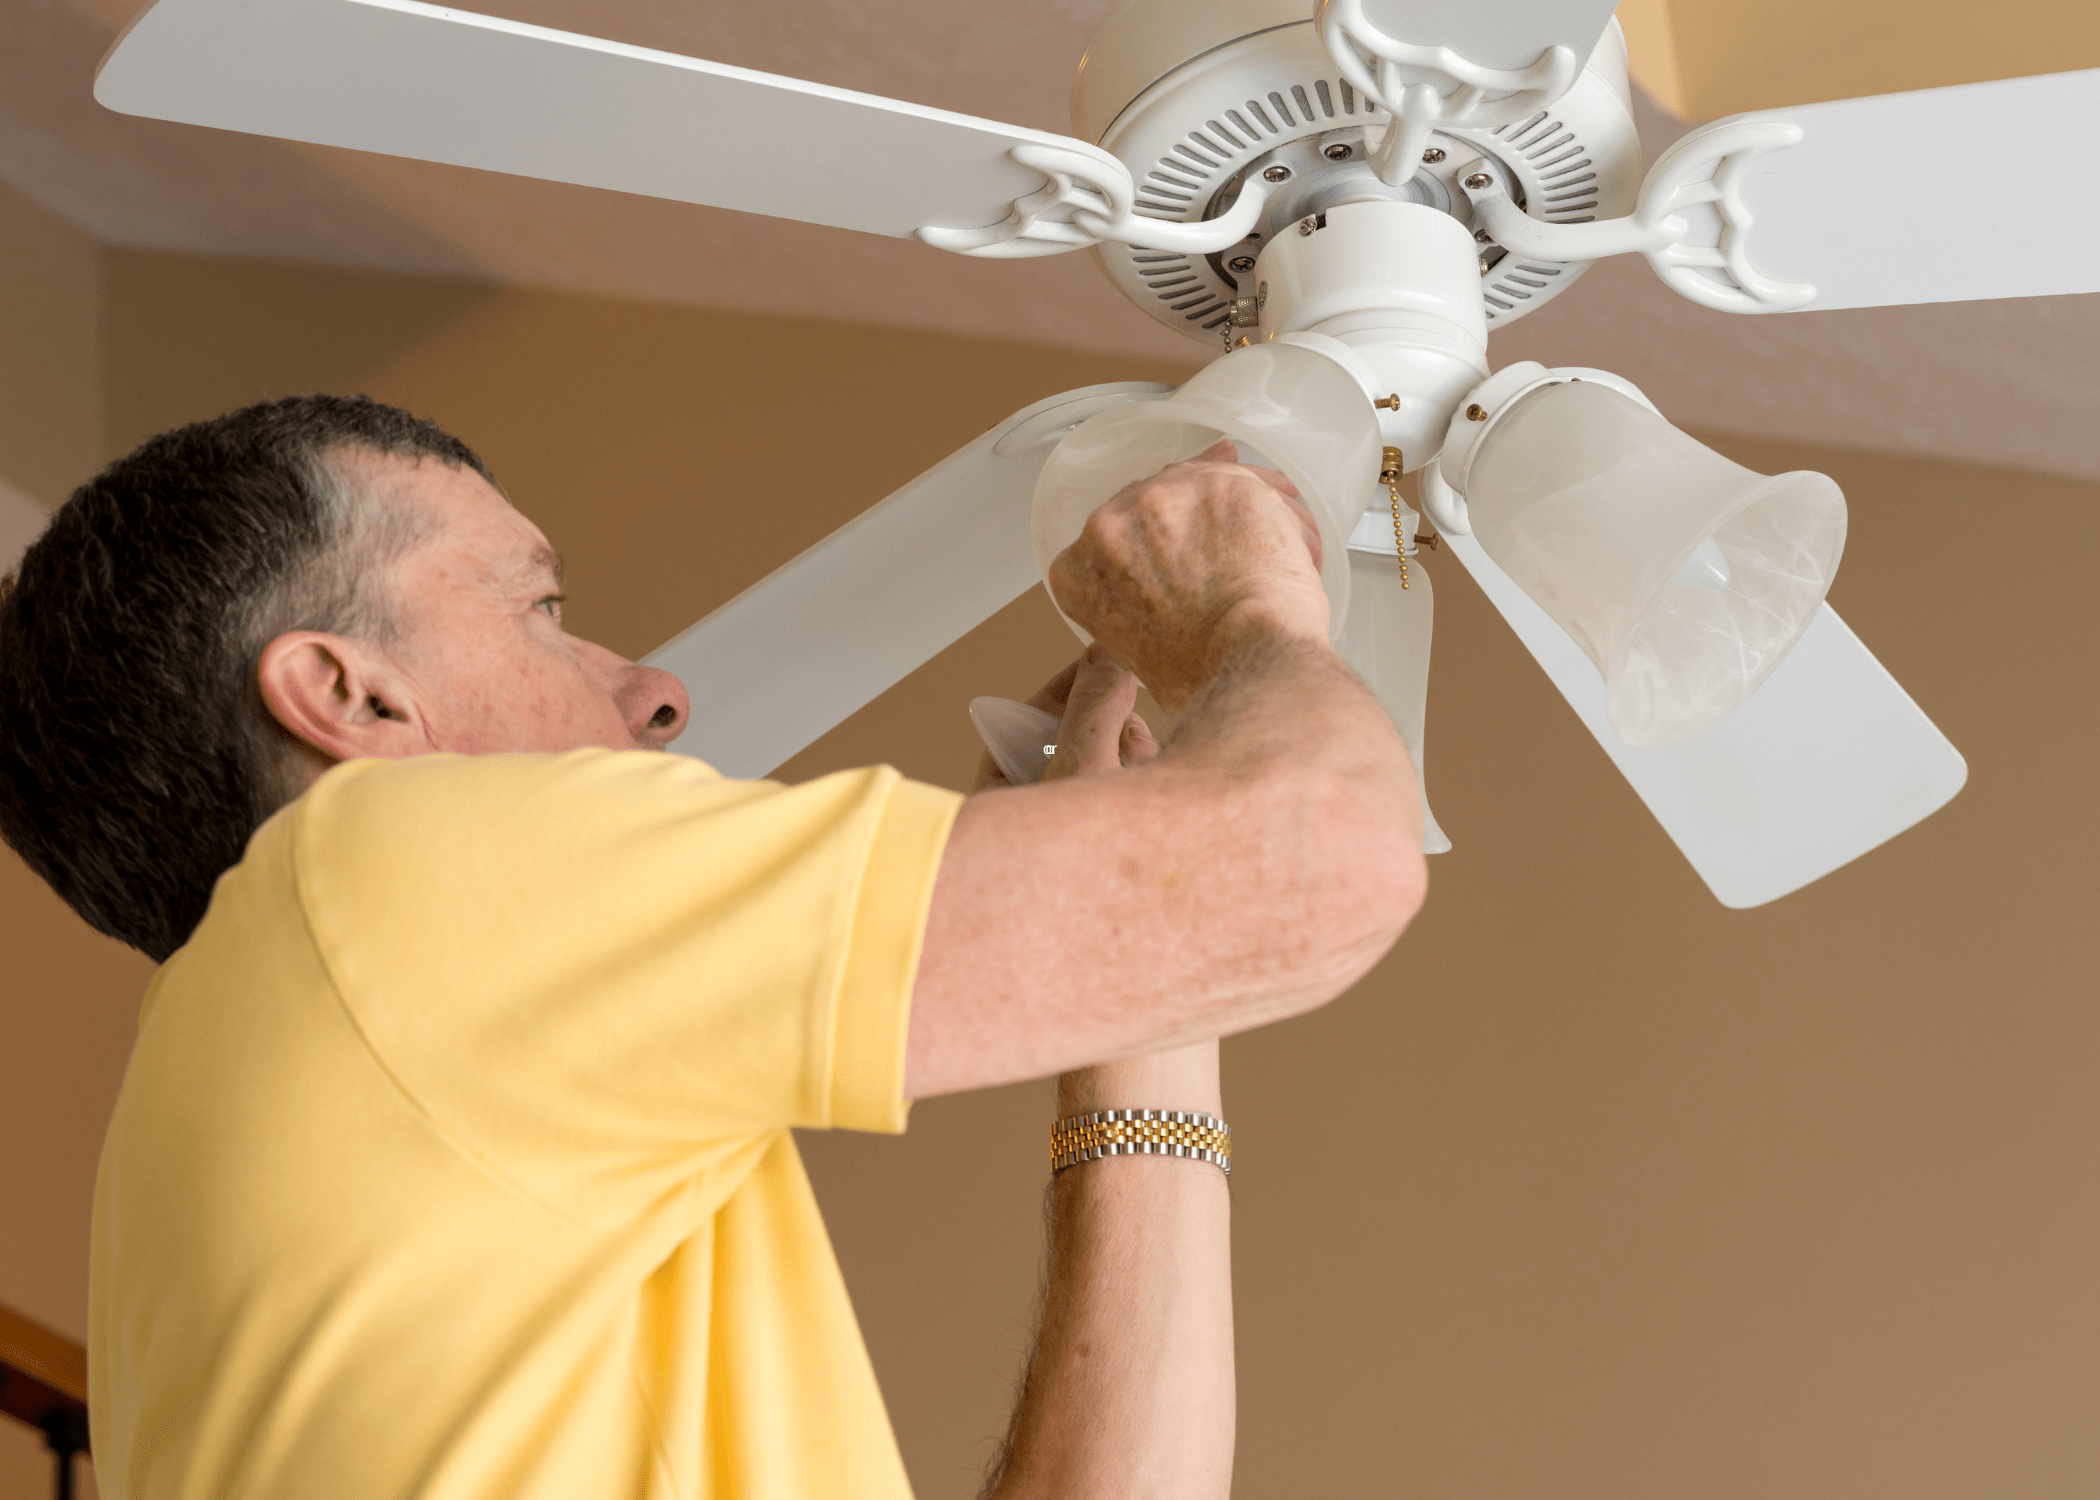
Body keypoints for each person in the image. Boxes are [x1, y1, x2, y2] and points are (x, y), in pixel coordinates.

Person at [0, 395, 1426, 1499]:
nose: (659, 691)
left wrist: (1147, 1010)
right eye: (540, 609)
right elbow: (1328, 859)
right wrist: (1242, 611)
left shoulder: (329, 1079)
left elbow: (1285, 886)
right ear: (349, 698)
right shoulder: (376, 870)